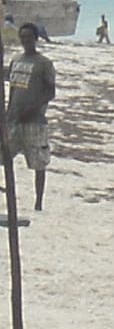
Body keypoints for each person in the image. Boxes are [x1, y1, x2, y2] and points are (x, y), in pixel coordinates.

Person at [4, 22, 56, 211]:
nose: (26, 40)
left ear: (35, 38)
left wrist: (33, 109)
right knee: (4, 156)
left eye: (29, 37)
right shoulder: (16, 60)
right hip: (14, 120)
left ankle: (38, 202)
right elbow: (12, 88)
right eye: (23, 37)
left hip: (35, 121)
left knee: (38, 163)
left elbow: (50, 92)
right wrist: (8, 115)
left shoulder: (44, 63)